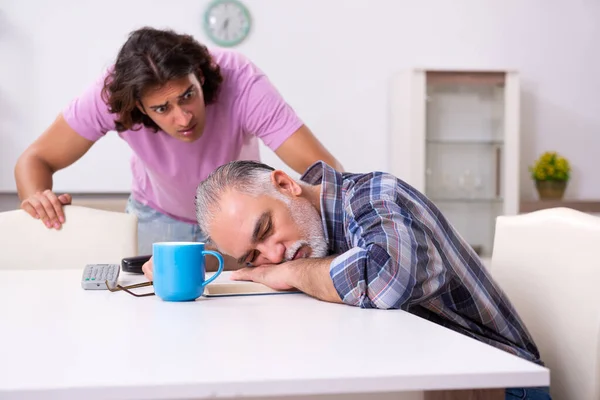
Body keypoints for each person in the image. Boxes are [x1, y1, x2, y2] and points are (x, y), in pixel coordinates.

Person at [159, 159, 550, 400]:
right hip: (428, 377)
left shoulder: (373, 195)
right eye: (255, 254)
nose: (272, 254)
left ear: (285, 184)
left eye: (266, 229)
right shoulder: (312, 236)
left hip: (500, 384)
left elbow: (384, 279)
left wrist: (290, 272)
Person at [14, 26, 343, 258]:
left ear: (199, 76)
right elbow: (35, 159)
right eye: (162, 108)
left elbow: (327, 173)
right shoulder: (110, 97)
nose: (184, 117)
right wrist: (38, 201)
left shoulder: (239, 80)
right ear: (139, 107)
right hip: (158, 218)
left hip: (238, 224)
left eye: (188, 96)